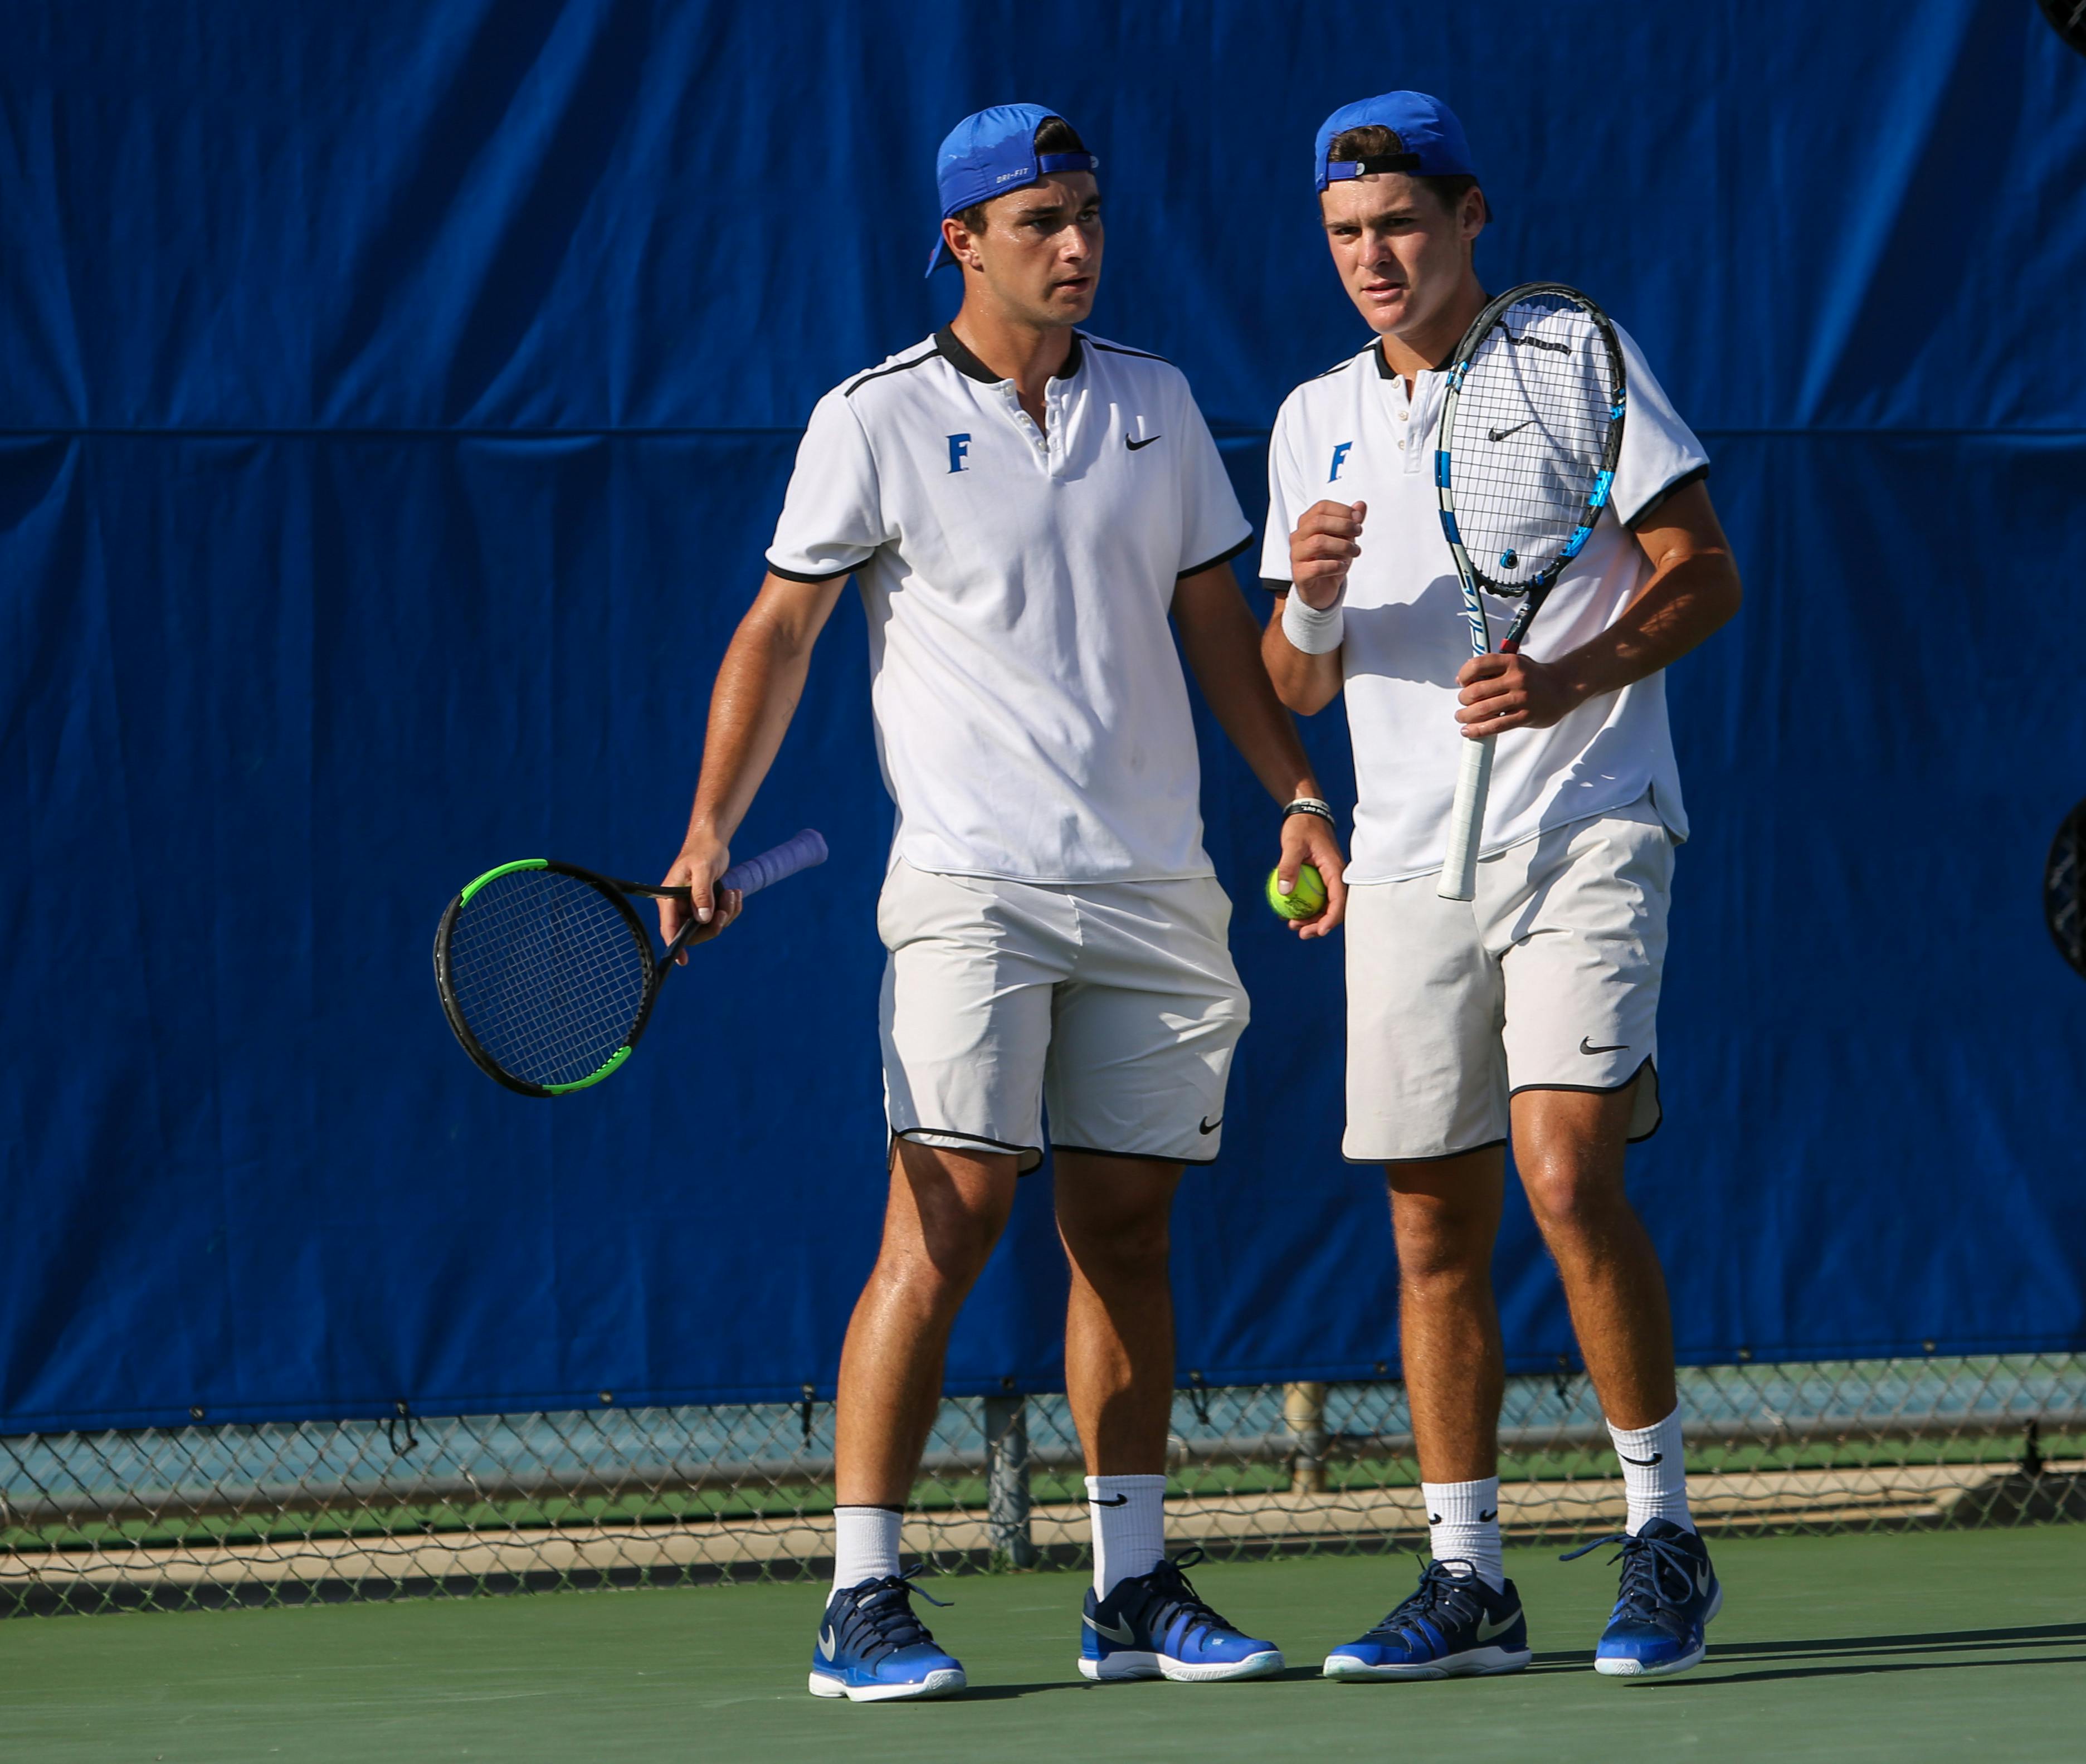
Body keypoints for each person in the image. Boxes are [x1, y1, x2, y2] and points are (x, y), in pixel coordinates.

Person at [662, 102, 1347, 1702]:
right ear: (962, 242)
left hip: (1157, 887)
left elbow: (1216, 630)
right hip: (973, 886)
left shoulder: (1163, 409)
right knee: (949, 1215)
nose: (1078, 243)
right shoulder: (876, 420)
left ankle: (1129, 1586)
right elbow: (779, 637)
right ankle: (861, 1597)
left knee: (1128, 1234)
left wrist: (1301, 795)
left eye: (1090, 213)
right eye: (1041, 220)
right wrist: (709, 827)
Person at [1259, 91, 1743, 1682]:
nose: (1372, 258)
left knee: (1562, 1169)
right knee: (1427, 1226)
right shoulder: (1311, 417)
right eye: (1345, 235)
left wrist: (1569, 677)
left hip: (1590, 821)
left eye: (1398, 224)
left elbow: (1704, 573)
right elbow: (1294, 681)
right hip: (1406, 861)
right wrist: (1314, 601)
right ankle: (1468, 1577)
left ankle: (1662, 1535)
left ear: (1471, 219)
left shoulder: (1571, 366)